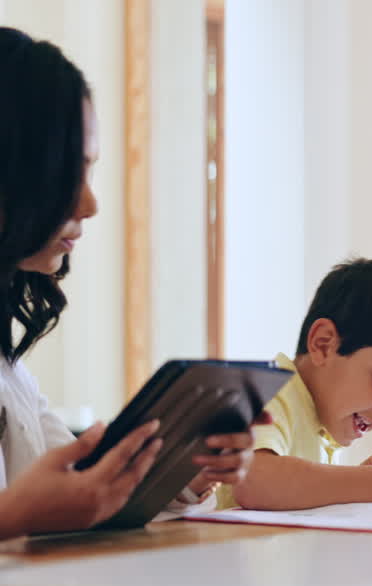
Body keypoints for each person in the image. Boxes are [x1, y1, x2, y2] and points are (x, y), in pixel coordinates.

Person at [0, 27, 260, 538]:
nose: (90, 204)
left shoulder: (13, 371)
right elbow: (29, 506)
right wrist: (17, 516)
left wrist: (184, 469)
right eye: (68, 175)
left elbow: (77, 487)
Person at [224, 258, 372, 510]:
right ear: (323, 344)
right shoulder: (268, 391)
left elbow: (294, 497)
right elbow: (253, 480)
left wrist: (363, 482)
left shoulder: (320, 420)